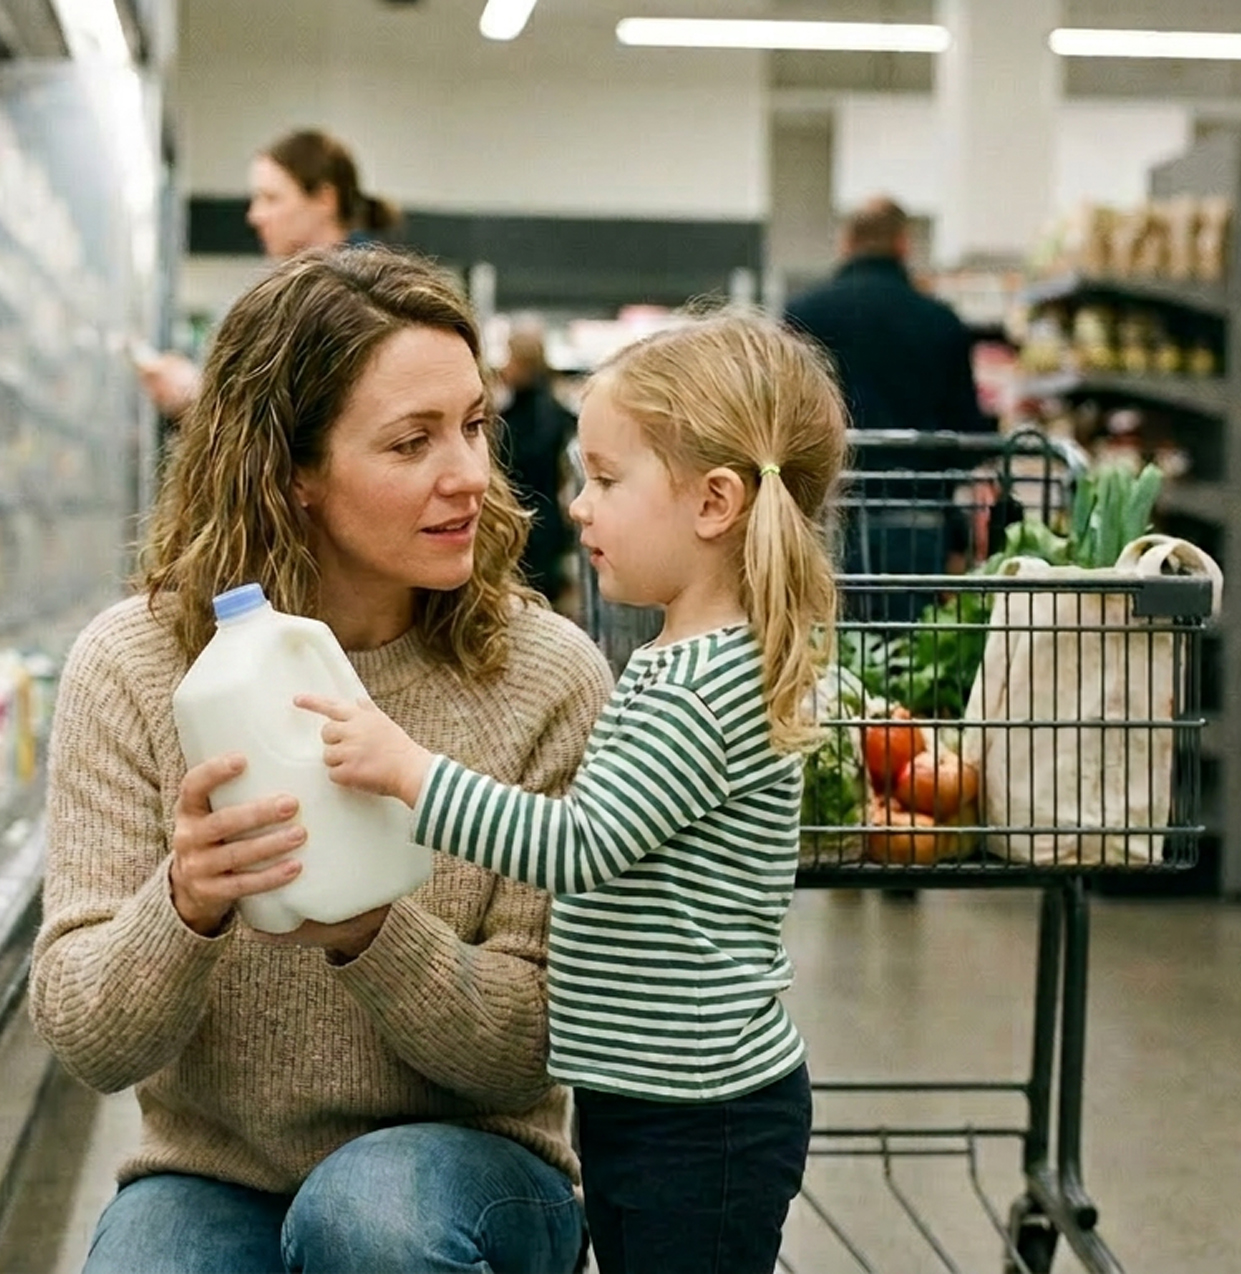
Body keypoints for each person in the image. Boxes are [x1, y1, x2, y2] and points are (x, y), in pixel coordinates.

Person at [33, 246, 613, 1274]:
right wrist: (185, 904)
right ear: (291, 472)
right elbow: (88, 1036)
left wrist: (370, 929)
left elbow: (537, 1043)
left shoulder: (542, 675)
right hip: (217, 1170)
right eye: (411, 442)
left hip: (474, 1167)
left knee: (369, 1219)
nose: (468, 476)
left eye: (473, 426)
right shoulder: (135, 666)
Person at [297, 309, 843, 1274]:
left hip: (701, 1114)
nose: (579, 507)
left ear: (713, 503)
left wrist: (410, 772)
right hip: (650, 1090)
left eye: (607, 479)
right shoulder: (687, 658)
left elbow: (577, 845)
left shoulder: (702, 687)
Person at [786, 196, 991, 586]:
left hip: (828, 515)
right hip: (918, 515)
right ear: (902, 244)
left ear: (846, 243)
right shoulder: (941, 322)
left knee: (830, 618)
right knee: (916, 624)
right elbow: (966, 429)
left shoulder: (803, 315)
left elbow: (786, 419)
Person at [137, 129, 401, 418]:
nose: (255, 216)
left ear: (325, 200)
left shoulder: (365, 297)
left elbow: (309, 419)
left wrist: (196, 394)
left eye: (271, 198)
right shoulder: (298, 291)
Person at [497, 322, 578, 604]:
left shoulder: (524, 419)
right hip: (546, 522)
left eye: (510, 358)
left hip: (529, 522)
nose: (505, 367)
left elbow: (518, 466)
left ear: (524, 363)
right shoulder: (557, 412)